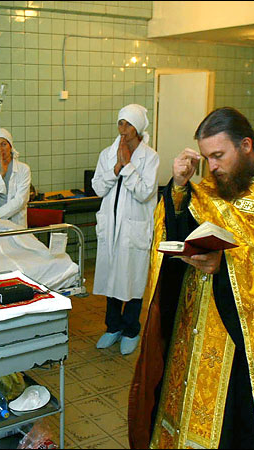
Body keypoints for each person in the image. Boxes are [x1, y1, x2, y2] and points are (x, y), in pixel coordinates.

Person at [128, 107, 254, 449]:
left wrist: (225, 267)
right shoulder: (216, 186)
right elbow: (182, 230)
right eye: (206, 158)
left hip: (243, 339)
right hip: (194, 326)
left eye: (218, 156)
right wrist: (179, 187)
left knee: (234, 424)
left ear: (246, 145)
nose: (212, 167)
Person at [91, 104, 159, 355]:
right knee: (111, 279)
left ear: (138, 128)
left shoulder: (150, 157)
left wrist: (128, 166)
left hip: (134, 229)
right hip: (110, 228)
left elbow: (144, 193)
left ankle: (131, 330)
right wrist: (116, 168)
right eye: (120, 123)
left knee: (131, 280)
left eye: (128, 124)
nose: (123, 129)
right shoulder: (107, 154)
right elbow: (98, 188)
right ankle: (113, 327)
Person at [0, 128, 31, 227]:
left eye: (4, 144)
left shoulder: (23, 169)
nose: (0, 149)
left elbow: (20, 200)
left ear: (10, 145)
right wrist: (1, 175)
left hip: (14, 220)